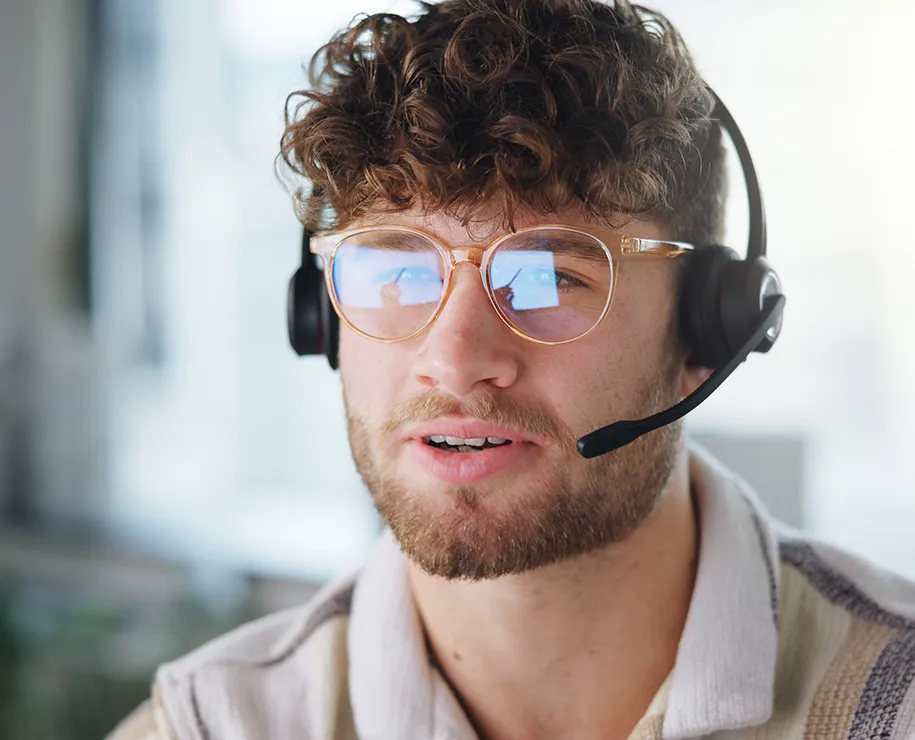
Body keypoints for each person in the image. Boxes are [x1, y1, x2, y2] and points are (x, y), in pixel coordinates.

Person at [109, 1, 915, 738]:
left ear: (711, 327)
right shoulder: (207, 724)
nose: (454, 361)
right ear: (320, 321)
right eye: (397, 273)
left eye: (546, 278)